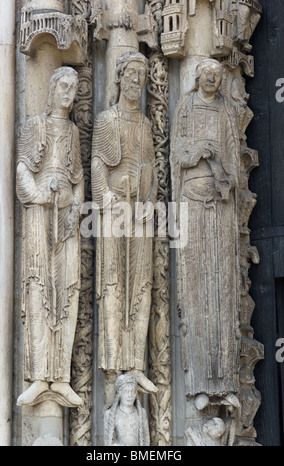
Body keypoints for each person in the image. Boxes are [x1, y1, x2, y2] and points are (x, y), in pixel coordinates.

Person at [170, 58, 241, 406]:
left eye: (217, 74)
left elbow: (234, 153)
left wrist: (226, 183)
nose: (212, 77)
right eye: (206, 73)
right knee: (196, 288)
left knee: (222, 288)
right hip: (192, 205)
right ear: (196, 78)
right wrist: (195, 152)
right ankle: (198, 382)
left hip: (220, 207)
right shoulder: (185, 106)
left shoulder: (225, 110)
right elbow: (176, 153)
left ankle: (225, 382)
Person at [16, 66, 84, 407]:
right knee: (39, 286)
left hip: (66, 216)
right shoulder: (35, 125)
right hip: (40, 215)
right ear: (52, 89)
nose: (68, 93)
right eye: (63, 86)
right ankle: (39, 375)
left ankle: (61, 376)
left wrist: (75, 207)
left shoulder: (72, 131)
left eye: (74, 88)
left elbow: (79, 178)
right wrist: (41, 194)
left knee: (68, 289)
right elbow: (22, 169)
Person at [91, 51, 158, 396]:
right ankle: (115, 362)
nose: (136, 82)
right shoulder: (106, 120)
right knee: (114, 282)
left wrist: (148, 202)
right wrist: (108, 199)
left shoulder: (145, 124)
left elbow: (149, 166)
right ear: (118, 78)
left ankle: (136, 364)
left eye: (141, 77)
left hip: (139, 213)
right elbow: (99, 165)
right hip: (114, 211)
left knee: (142, 284)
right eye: (131, 75)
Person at [104, 374, 150, 446]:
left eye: (132, 392)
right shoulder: (110, 414)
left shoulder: (141, 413)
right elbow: (108, 442)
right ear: (119, 394)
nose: (130, 395)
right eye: (126, 392)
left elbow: (146, 440)